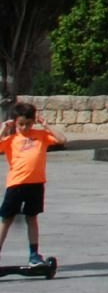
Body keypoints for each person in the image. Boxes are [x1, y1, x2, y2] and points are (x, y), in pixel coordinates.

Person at [0, 101, 66, 269]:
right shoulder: (11, 139)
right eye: (21, 124)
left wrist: (46, 125)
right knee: (6, 219)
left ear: (33, 121)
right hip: (16, 184)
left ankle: (34, 255)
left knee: (32, 218)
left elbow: (62, 139)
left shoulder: (41, 135)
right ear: (15, 122)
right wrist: (3, 128)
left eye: (28, 124)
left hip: (36, 184)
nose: (24, 128)